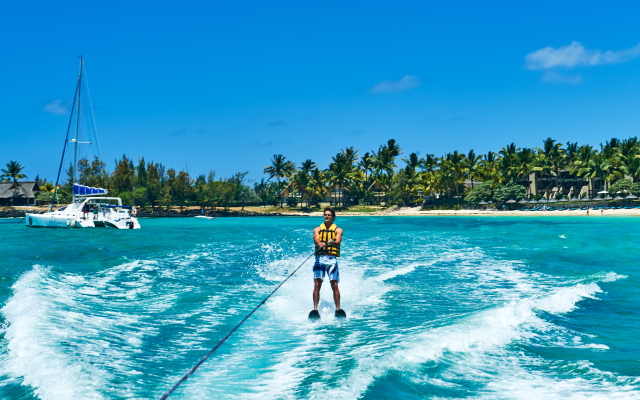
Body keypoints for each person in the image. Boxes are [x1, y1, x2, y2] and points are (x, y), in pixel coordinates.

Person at [312, 207, 345, 317]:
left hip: (331, 260)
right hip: (320, 259)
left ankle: (337, 309)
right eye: (325, 215)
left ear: (333, 217)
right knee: (317, 283)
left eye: (329, 215)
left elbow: (338, 240)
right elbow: (316, 238)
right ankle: (315, 310)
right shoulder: (317, 229)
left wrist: (327, 243)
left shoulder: (338, 230)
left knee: (334, 284)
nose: (326, 216)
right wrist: (319, 242)